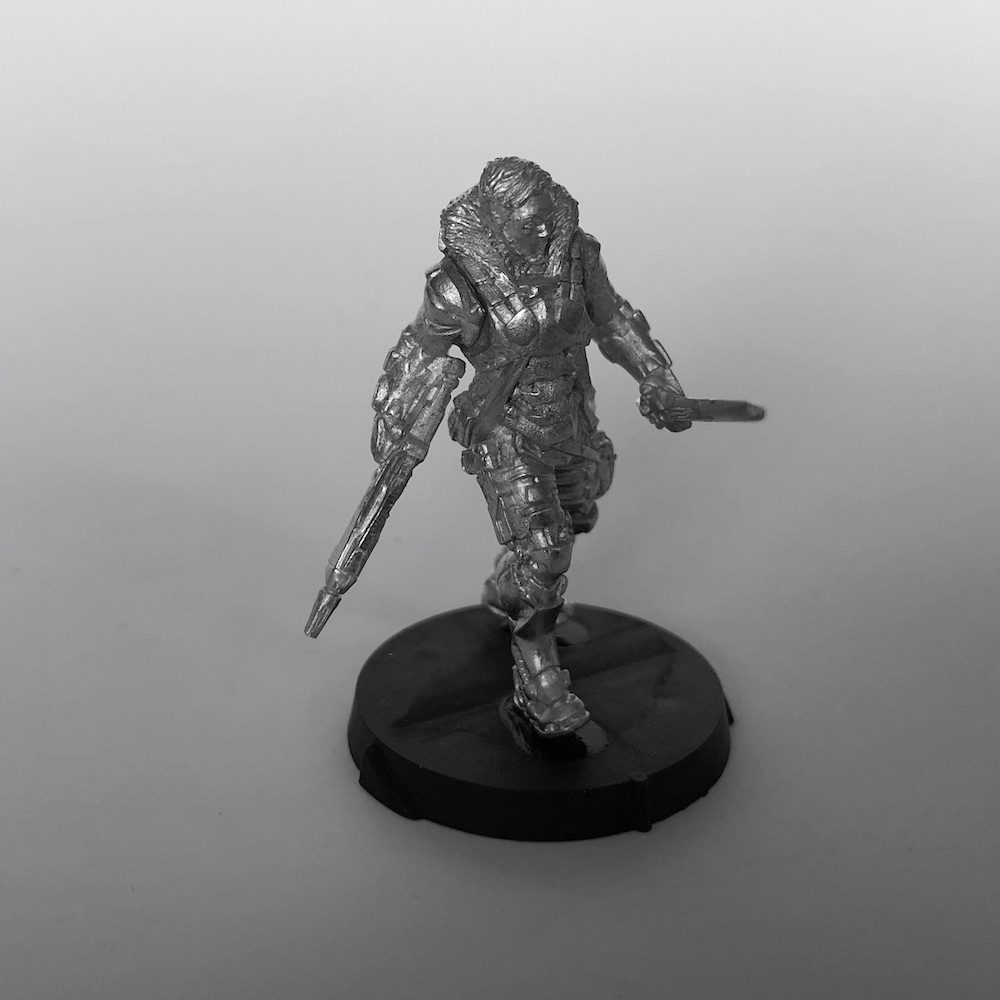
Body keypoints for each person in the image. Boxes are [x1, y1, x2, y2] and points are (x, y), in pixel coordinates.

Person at [369, 157, 694, 737]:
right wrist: (397, 416)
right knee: (547, 549)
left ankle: (510, 591)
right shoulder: (458, 285)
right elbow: (420, 350)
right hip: (505, 427)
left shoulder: (576, 255)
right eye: (527, 223)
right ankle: (538, 672)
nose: (542, 231)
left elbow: (613, 320)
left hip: (571, 417)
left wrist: (655, 375)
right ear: (496, 222)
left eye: (546, 218)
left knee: (578, 514)